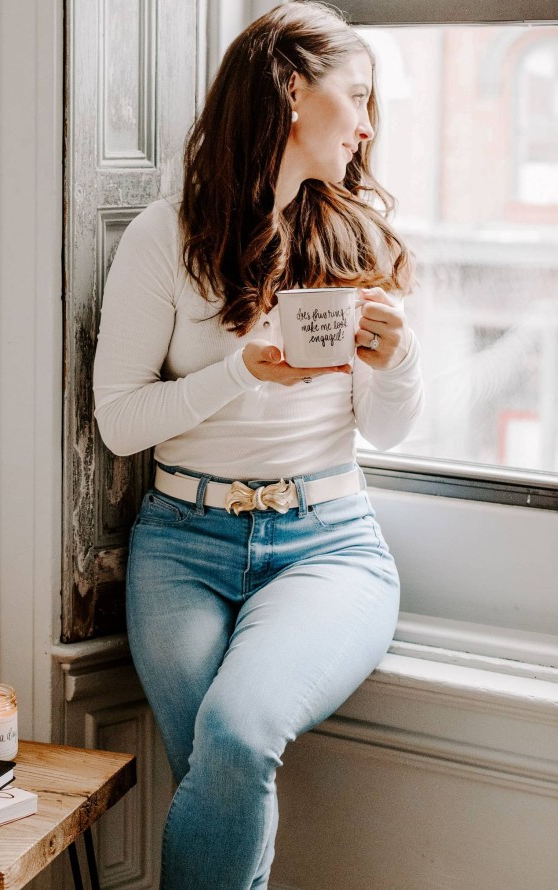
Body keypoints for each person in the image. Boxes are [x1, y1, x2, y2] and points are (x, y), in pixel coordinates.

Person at [92, 2, 424, 888]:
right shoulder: (166, 237)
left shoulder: (356, 239)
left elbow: (384, 430)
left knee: (236, 736)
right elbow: (119, 420)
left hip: (328, 546)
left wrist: (399, 360)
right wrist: (242, 372)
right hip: (181, 547)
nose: (364, 124)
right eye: (353, 97)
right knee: (225, 767)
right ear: (289, 88)